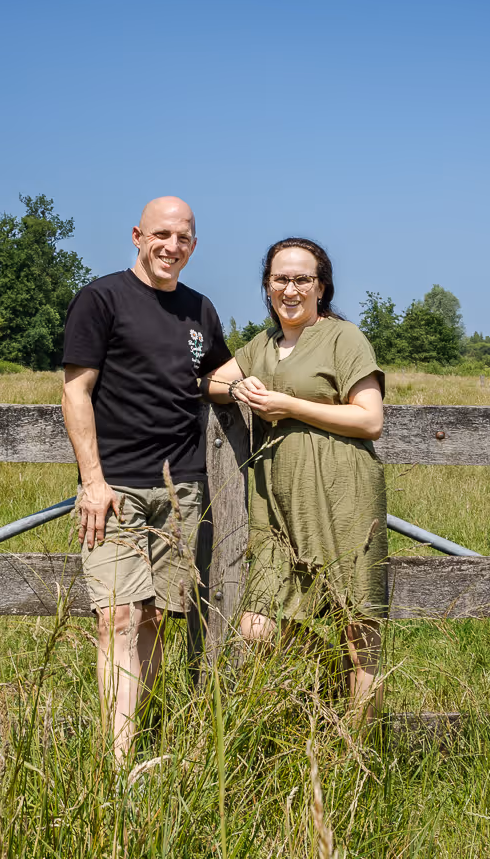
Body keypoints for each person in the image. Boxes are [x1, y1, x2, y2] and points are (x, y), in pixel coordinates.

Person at [60, 196, 232, 763]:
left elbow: (218, 377)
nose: (171, 247)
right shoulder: (102, 298)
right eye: (161, 235)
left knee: (158, 618)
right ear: (137, 235)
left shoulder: (200, 309)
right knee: (116, 618)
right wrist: (93, 481)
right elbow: (76, 390)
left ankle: (147, 748)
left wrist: (294, 372)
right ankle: (115, 766)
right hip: (117, 489)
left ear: (194, 245)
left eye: (183, 238)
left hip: (182, 488)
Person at [205, 237, 387, 719]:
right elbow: (209, 382)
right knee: (256, 626)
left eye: (302, 279)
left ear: (321, 287)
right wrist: (237, 384)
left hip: (341, 494)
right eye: (280, 279)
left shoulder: (344, 338)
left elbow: (370, 420)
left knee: (358, 630)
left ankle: (356, 755)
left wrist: (290, 406)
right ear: (267, 286)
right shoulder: (263, 344)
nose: (291, 289)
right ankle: (316, 702)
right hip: (276, 505)